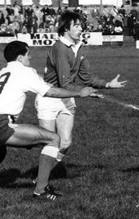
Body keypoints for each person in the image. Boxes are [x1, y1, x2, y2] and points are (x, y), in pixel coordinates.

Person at [0, 41, 99, 200]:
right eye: (28, 54)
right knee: (54, 139)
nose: (31, 56)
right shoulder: (24, 72)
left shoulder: (4, 71)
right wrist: (79, 93)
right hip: (0, 125)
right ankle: (41, 190)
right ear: (20, 57)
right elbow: (50, 92)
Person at [34, 11, 127, 182]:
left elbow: (86, 77)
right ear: (65, 28)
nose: (80, 28)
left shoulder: (80, 47)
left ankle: (40, 178)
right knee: (50, 143)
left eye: (80, 25)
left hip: (67, 98)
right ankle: (41, 181)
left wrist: (107, 84)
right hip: (49, 98)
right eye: (76, 25)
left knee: (65, 142)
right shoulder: (59, 49)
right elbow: (64, 83)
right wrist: (82, 92)